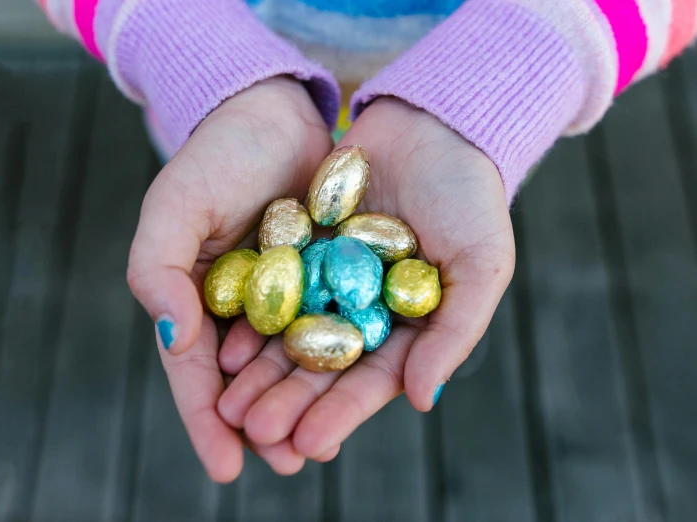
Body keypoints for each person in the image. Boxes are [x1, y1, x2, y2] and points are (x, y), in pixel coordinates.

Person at [39, 0, 697, 482]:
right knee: (207, 213)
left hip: (478, 122)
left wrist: (504, 77)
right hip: (215, 125)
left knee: (448, 279)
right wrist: (200, 63)